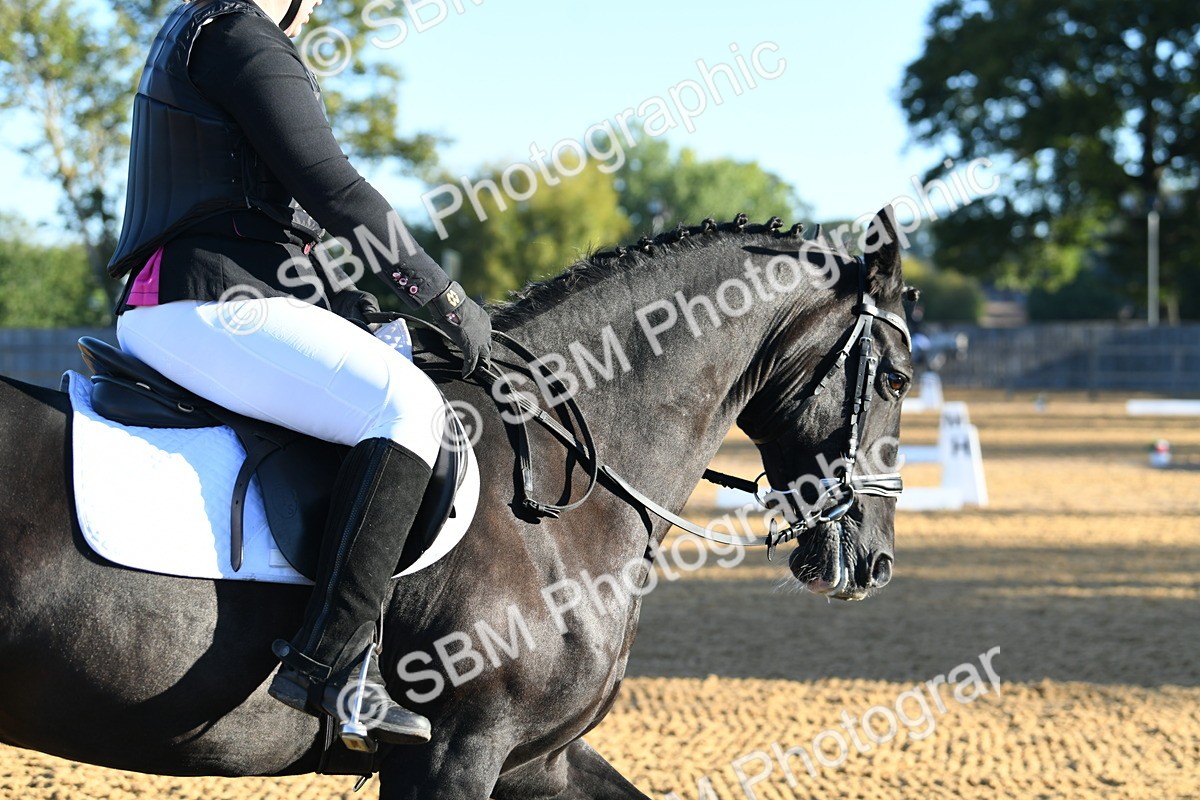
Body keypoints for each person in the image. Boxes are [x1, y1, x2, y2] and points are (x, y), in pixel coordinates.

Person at [106, 0, 491, 749]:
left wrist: (360, 307)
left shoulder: (201, 33)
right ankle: (333, 666)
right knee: (406, 407)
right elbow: (334, 190)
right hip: (209, 301)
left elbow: (262, 220)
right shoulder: (236, 34)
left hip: (214, 296)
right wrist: (442, 298)